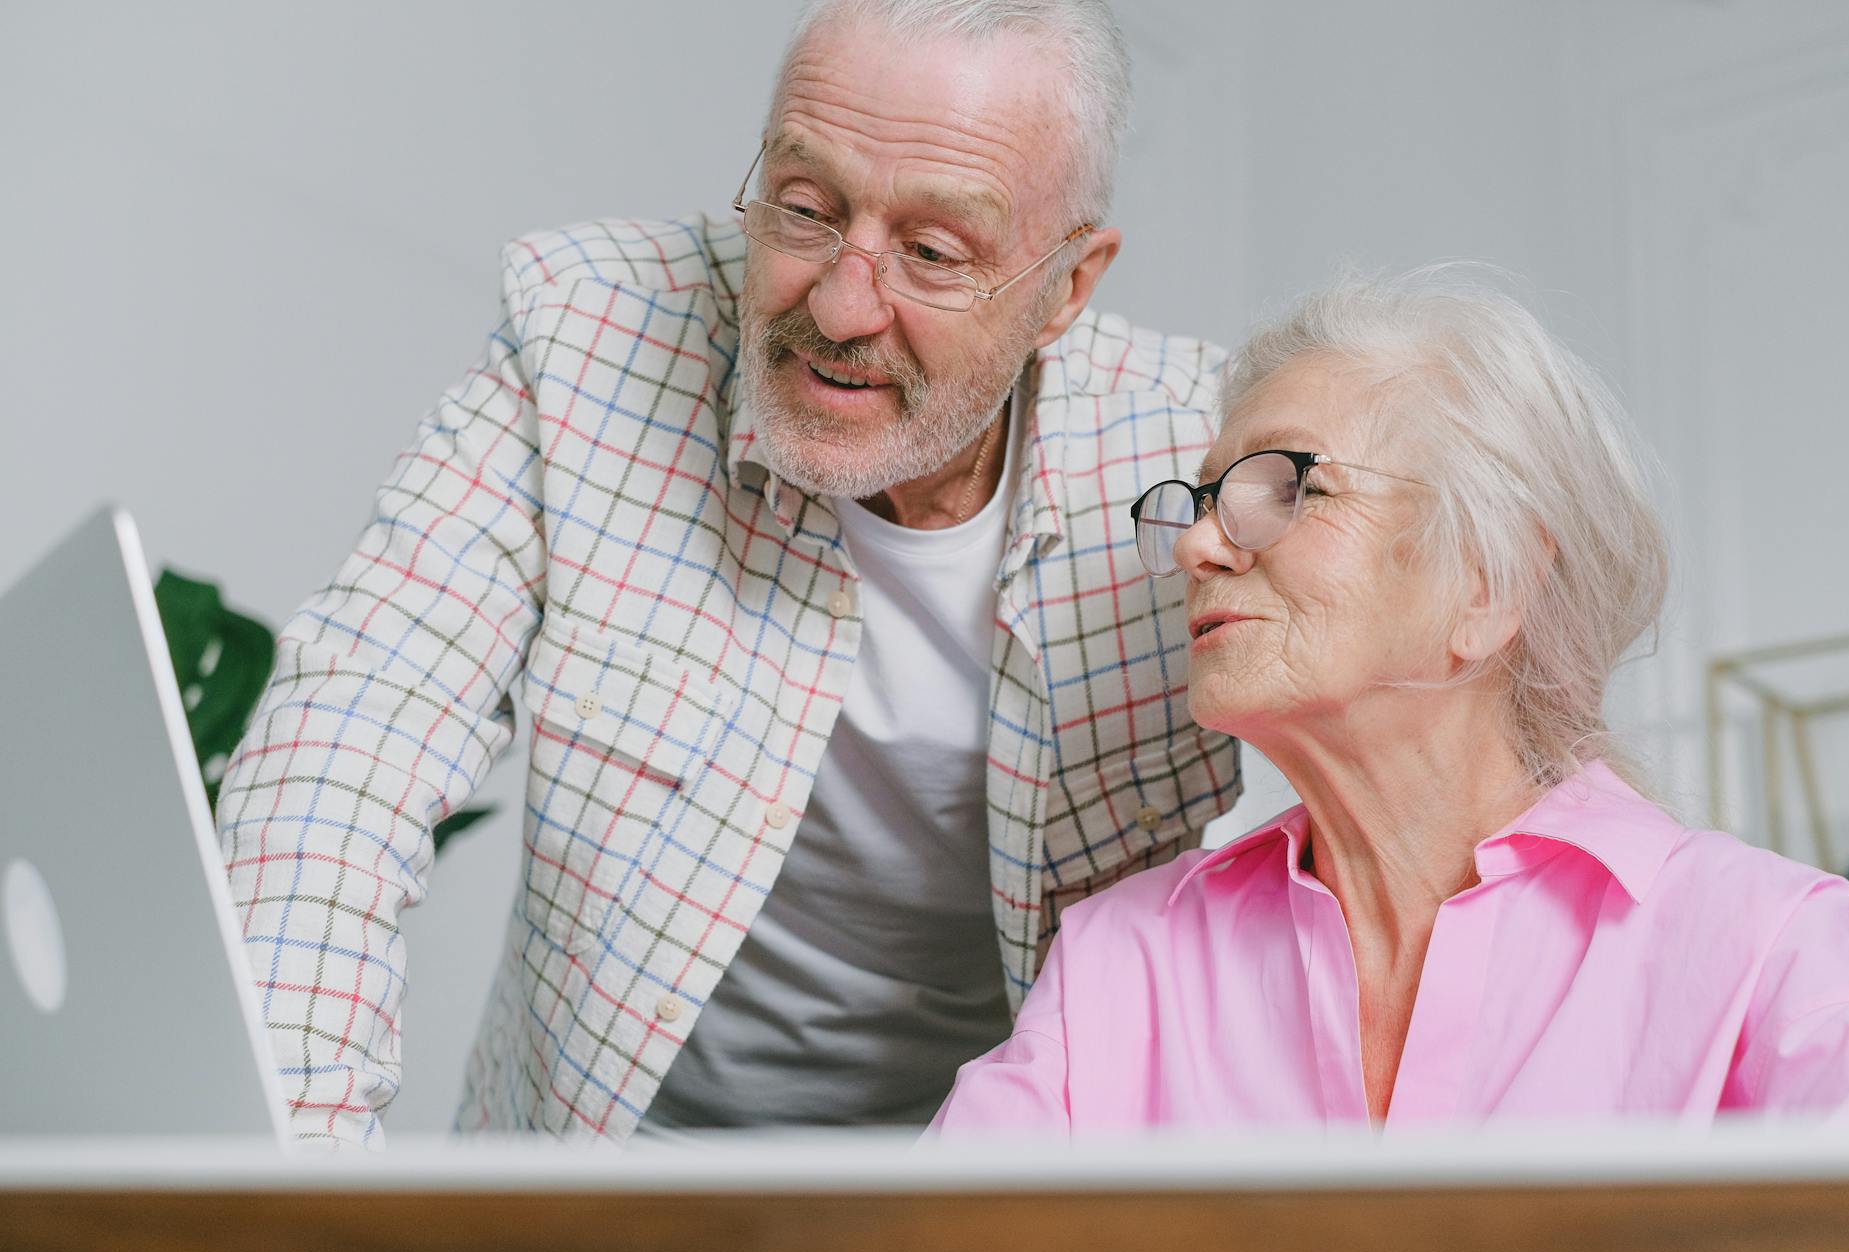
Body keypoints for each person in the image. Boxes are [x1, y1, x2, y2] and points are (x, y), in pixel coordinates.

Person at [217, 0, 1242, 1150]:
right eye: (804, 210)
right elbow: (348, 749)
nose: (843, 304)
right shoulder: (589, 336)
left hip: (970, 1191)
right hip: (591, 1174)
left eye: (933, 254)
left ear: (1065, 288)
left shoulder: (1196, 463)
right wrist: (286, 1191)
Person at [928, 269, 1849, 1135]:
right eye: (1195, 502)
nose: (1196, 547)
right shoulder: (1123, 962)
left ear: (1487, 581)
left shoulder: (1753, 939)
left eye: (1280, 486)